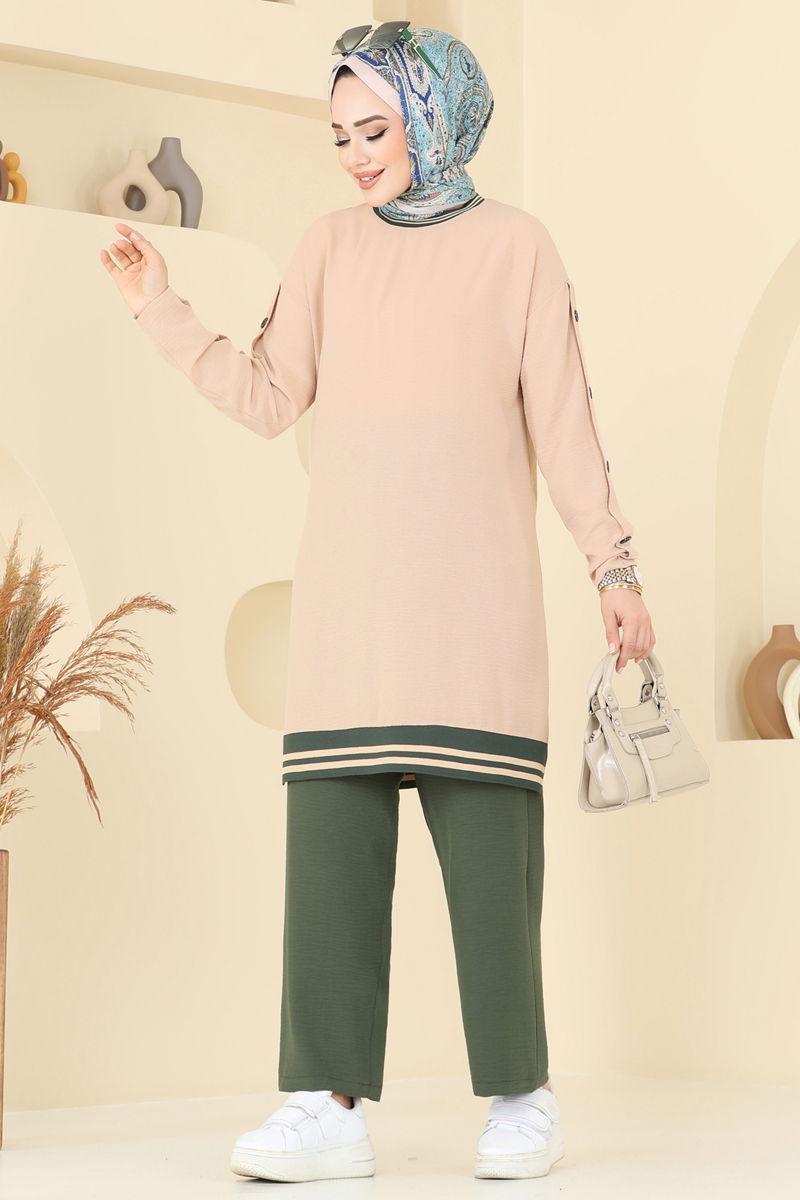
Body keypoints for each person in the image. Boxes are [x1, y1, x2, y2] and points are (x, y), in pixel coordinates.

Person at [100, 21, 655, 1185]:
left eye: (375, 130)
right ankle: (323, 1106)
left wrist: (611, 568)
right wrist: (159, 304)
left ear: (434, 120)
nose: (355, 156)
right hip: (347, 616)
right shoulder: (326, 249)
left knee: (492, 878)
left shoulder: (516, 248)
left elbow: (565, 425)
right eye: (340, 136)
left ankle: (520, 1098)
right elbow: (266, 396)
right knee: (330, 871)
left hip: (474, 616)